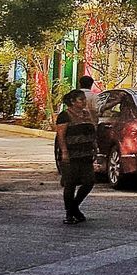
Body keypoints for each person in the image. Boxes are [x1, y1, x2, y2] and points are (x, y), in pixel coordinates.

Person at [55, 89, 97, 225]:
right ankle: (69, 212)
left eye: (84, 99)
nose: (84, 102)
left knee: (89, 181)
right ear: (72, 102)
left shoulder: (86, 114)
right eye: (81, 100)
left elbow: (91, 131)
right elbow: (61, 136)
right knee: (70, 183)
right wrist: (64, 152)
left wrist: (94, 147)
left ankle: (74, 207)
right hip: (71, 154)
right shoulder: (64, 116)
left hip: (86, 153)